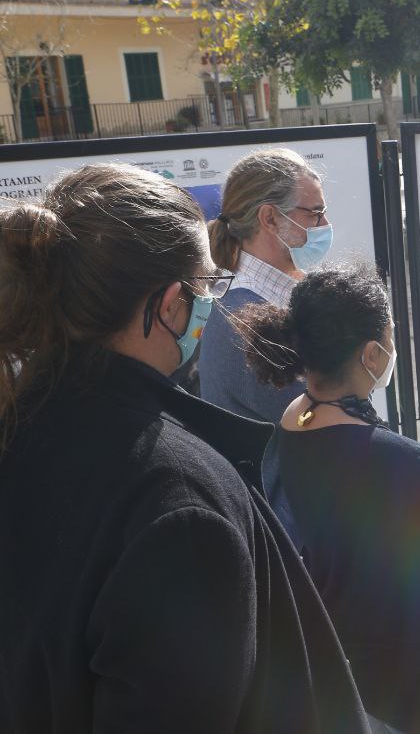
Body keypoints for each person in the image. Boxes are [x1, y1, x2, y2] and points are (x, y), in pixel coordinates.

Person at [0, 164, 368, 733]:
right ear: (169, 303)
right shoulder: (176, 503)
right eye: (205, 286)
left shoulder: (22, 422)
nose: (208, 304)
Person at [238, 262, 420, 734]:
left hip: (346, 676)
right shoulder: (398, 463)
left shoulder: (295, 418)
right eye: (390, 336)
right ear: (371, 354)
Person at [201, 147, 332, 422]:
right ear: (270, 218)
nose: (325, 223)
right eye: (315, 213)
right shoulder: (247, 319)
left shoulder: (257, 295)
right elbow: (328, 424)